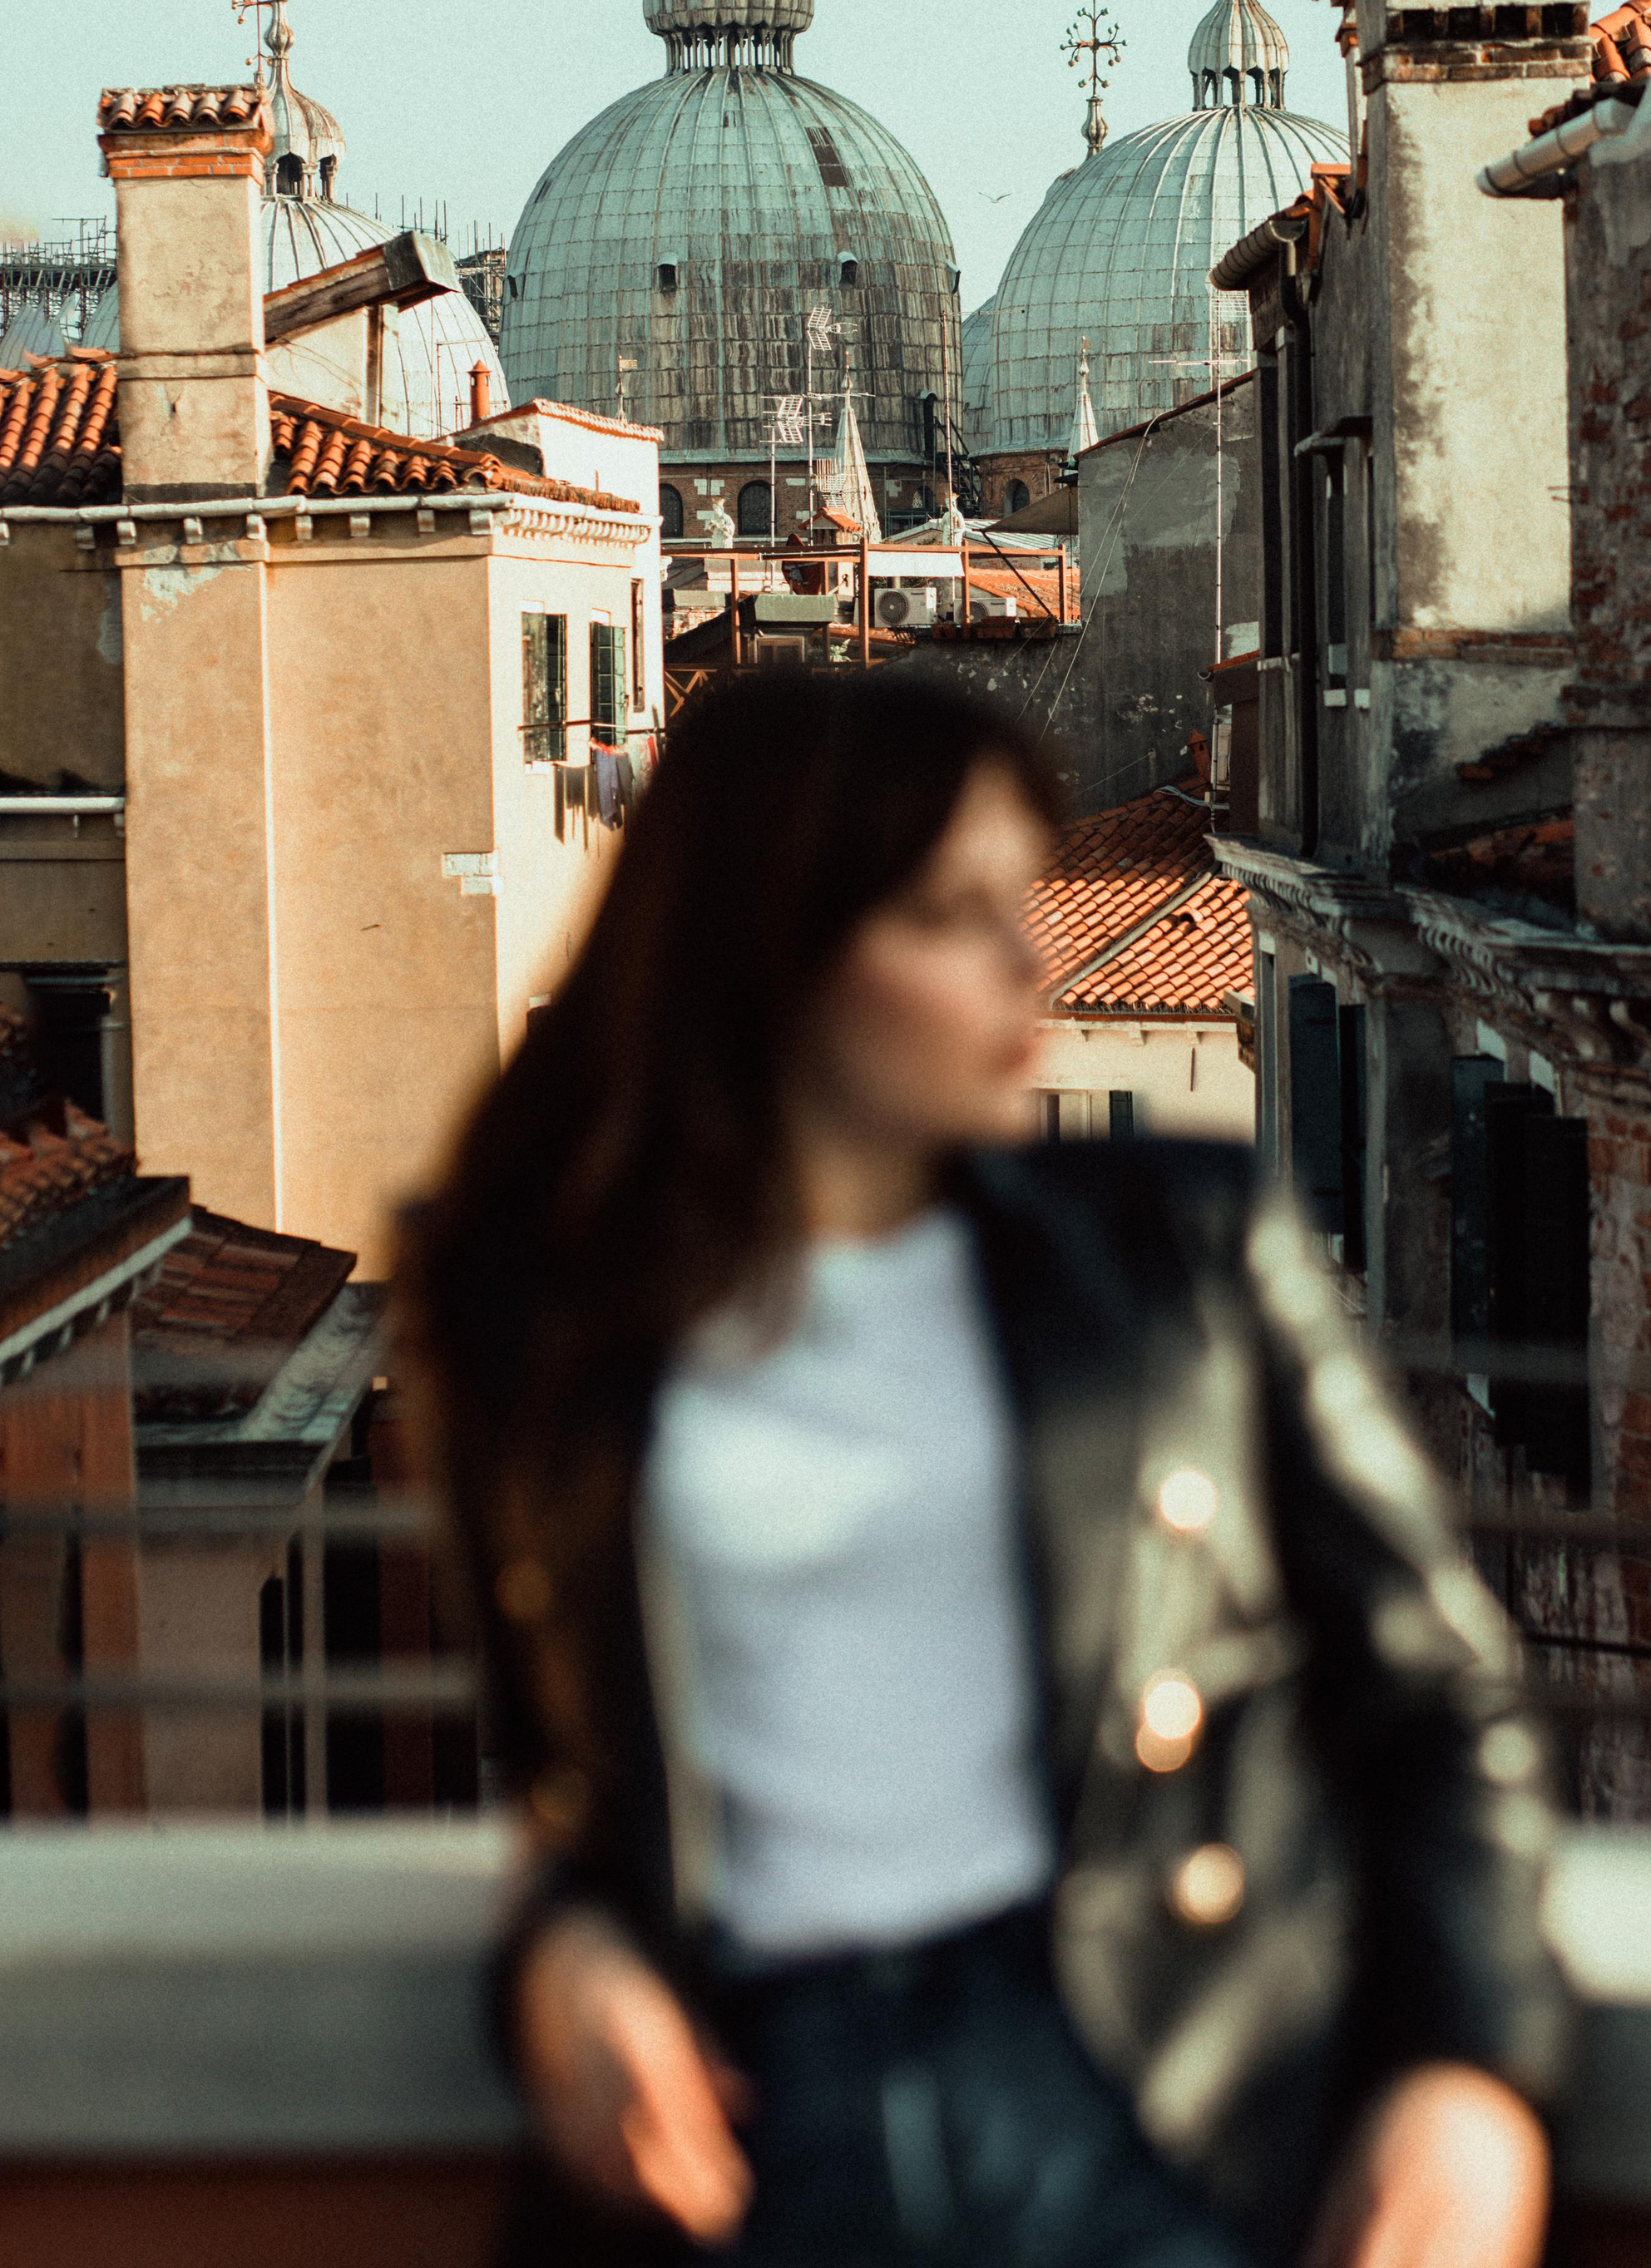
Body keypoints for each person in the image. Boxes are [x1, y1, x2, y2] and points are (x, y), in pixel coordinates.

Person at [398, 673, 1566, 2268]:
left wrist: (1469, 2074)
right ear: (776, 954)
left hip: (1143, 2080)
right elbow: (566, 1785)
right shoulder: (529, 1311)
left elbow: (1436, 1692)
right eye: (954, 917)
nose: (1027, 963)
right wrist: (562, 1963)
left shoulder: (1173, 1252)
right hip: (745, 2118)